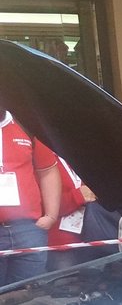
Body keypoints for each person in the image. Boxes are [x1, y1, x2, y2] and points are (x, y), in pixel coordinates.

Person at [0, 109, 64, 286]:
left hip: (29, 230)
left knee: (28, 295)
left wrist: (51, 215)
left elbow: (48, 171)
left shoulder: (26, 126)